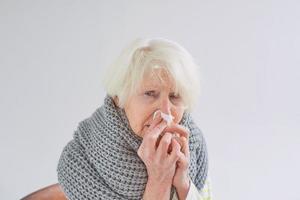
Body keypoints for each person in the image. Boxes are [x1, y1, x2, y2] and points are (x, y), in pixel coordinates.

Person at [57, 38, 212, 200]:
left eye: (175, 97)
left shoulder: (194, 147)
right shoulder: (79, 163)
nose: (166, 112)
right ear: (120, 98)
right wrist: (159, 180)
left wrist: (183, 185)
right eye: (150, 94)